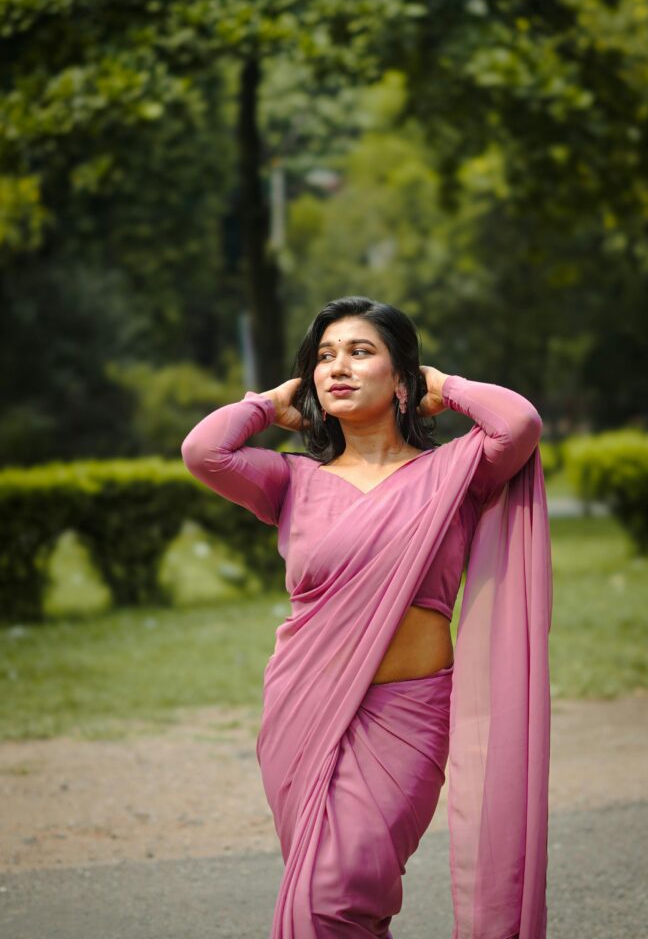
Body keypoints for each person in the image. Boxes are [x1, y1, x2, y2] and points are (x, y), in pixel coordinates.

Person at [181, 296, 553, 939]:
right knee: (341, 899)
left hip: (408, 715)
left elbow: (517, 422)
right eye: (324, 357)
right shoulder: (292, 481)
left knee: (337, 893)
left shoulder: (455, 474)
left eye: (360, 352)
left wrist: (446, 387)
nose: (337, 368)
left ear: (402, 379)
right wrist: (268, 404)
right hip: (306, 708)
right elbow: (203, 451)